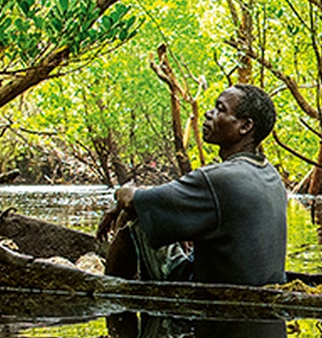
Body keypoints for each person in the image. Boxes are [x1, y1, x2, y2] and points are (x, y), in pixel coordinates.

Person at [99, 84, 287, 285]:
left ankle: (110, 295)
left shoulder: (218, 179)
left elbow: (130, 199)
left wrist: (118, 202)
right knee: (155, 208)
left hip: (208, 288)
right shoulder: (271, 173)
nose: (208, 113)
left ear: (245, 127)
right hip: (259, 284)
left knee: (134, 215)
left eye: (220, 109)